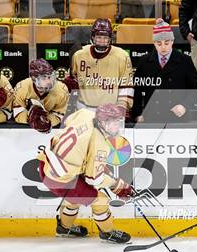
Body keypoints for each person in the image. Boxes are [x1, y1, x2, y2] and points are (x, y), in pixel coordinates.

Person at [36, 103, 134, 243]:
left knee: (75, 197)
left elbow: (69, 122)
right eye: (114, 123)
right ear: (103, 122)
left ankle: (64, 228)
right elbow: (93, 180)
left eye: (119, 122)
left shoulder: (85, 113)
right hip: (60, 179)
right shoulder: (100, 145)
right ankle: (107, 232)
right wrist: (118, 185)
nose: (117, 126)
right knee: (100, 199)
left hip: (47, 162)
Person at [132, 18, 197, 123]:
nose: (163, 47)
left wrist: (184, 106)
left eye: (167, 42)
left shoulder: (185, 61)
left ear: (172, 41)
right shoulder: (144, 62)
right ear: (154, 43)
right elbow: (137, 91)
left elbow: (196, 88)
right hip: (151, 118)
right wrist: (137, 114)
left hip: (178, 119)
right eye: (159, 43)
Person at [63, 18, 134, 117]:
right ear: (93, 37)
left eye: (105, 38)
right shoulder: (79, 55)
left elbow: (126, 85)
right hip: (83, 110)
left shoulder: (122, 56)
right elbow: (72, 80)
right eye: (99, 37)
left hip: (110, 112)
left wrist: (122, 105)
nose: (102, 41)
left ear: (110, 38)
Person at [13, 59, 69, 133]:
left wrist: (46, 122)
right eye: (44, 78)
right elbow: (17, 113)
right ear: (33, 78)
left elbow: (60, 114)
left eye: (49, 77)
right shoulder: (22, 88)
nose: (49, 81)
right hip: (25, 132)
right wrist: (31, 119)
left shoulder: (62, 90)